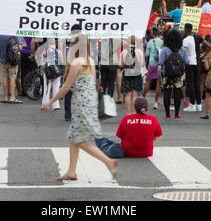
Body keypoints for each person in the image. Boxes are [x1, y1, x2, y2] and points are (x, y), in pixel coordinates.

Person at [43, 34, 118, 182]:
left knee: (80, 140)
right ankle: (71, 171)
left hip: (81, 104)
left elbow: (66, 87)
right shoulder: (89, 60)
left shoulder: (77, 62)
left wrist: (50, 101)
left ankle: (109, 162)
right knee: (73, 137)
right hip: (89, 102)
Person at [159, 29, 189, 119]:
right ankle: (176, 114)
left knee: (167, 93)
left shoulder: (164, 49)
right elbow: (187, 61)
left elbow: (160, 62)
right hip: (178, 75)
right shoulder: (182, 50)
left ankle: (167, 114)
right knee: (177, 92)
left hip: (166, 74)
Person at [0, 34, 23, 104]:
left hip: (2, 60)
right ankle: (12, 96)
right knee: (12, 77)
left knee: (4, 78)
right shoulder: (14, 35)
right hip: (13, 61)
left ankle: (6, 97)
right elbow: (20, 48)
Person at [119, 36, 145, 114]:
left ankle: (129, 113)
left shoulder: (124, 52)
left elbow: (120, 64)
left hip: (127, 74)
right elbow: (142, 64)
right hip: (137, 74)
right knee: (135, 95)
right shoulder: (139, 52)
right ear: (136, 42)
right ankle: (134, 112)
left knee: (127, 94)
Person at [182, 23, 204, 112]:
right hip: (197, 63)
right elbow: (206, 44)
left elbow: (186, 52)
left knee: (190, 83)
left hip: (189, 63)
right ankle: (199, 104)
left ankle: (192, 104)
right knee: (197, 83)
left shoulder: (185, 40)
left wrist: (185, 60)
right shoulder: (197, 37)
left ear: (186, 29)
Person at [142, 28, 163, 109]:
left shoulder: (150, 42)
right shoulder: (162, 42)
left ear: (153, 34)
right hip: (160, 64)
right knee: (158, 83)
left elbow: (147, 54)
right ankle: (155, 102)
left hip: (152, 63)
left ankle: (143, 98)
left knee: (148, 82)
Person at [41, 39, 64, 111]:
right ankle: (56, 105)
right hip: (56, 73)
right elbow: (61, 62)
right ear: (55, 44)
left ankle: (45, 104)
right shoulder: (59, 52)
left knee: (46, 89)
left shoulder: (45, 52)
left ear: (48, 44)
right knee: (56, 88)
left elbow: (42, 63)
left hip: (47, 73)